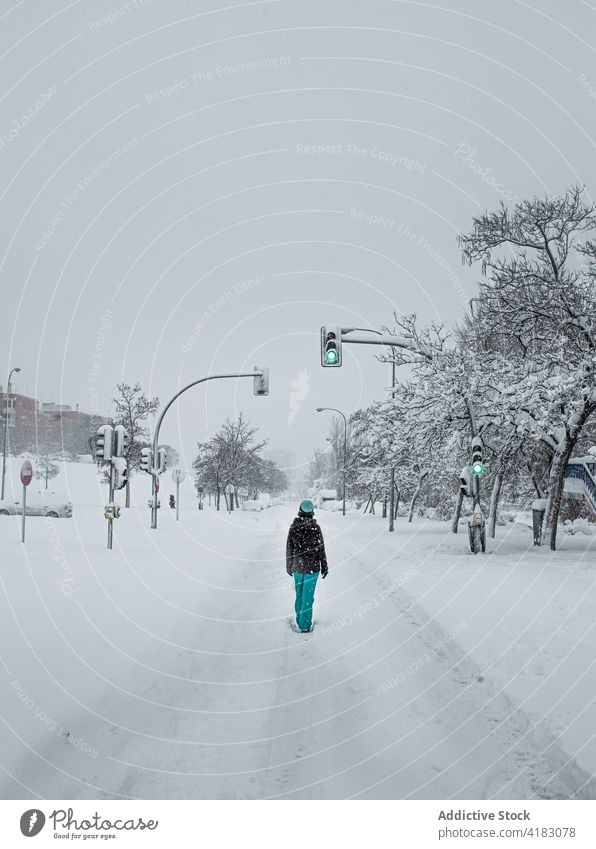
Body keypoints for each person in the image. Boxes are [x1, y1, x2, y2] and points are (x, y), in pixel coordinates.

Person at [286, 499, 328, 632]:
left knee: (299, 594)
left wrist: (288, 566)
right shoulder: (315, 528)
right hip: (313, 568)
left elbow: (289, 548)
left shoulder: (294, 527)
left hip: (297, 567)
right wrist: (324, 566)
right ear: (312, 512)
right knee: (308, 596)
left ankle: (300, 621)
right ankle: (305, 625)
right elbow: (321, 548)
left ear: (300, 510)